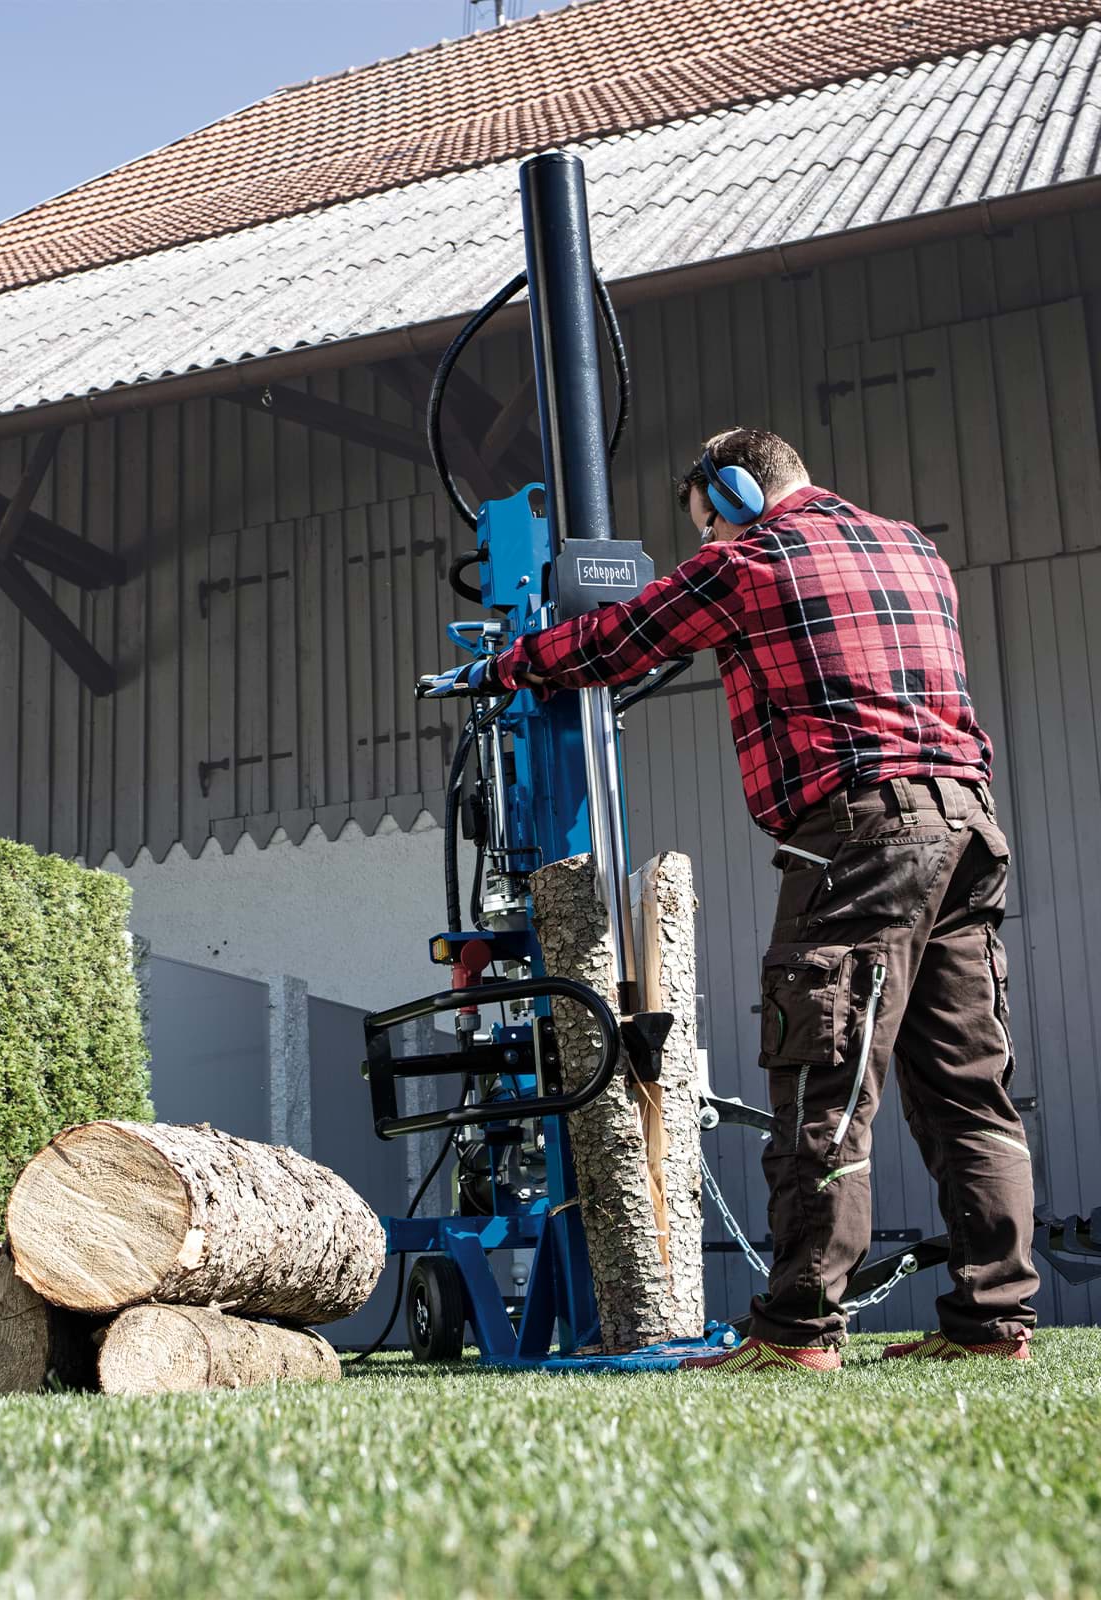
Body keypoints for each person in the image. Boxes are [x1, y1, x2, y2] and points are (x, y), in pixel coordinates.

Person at [425, 427, 1039, 1371]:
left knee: (822, 1084)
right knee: (968, 1090)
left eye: (706, 521)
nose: (706, 541)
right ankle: (993, 1323)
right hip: (967, 828)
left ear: (737, 495)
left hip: (860, 839)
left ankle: (797, 1334)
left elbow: (615, 640)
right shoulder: (912, 546)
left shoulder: (750, 561)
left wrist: (507, 666)